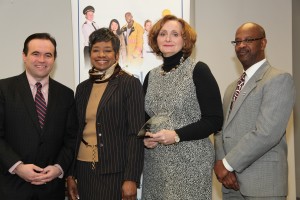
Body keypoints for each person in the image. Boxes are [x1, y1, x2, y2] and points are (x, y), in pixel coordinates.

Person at [142, 15, 223, 199]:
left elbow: (215, 120)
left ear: (185, 40)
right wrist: (144, 139)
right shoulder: (151, 76)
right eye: (163, 34)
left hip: (190, 162)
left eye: (174, 34)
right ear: (155, 39)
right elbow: (145, 117)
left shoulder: (198, 70)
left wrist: (177, 134)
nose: (168, 39)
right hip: (156, 166)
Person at [214, 22, 296, 199]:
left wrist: (227, 163)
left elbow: (267, 133)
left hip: (263, 186)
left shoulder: (278, 79)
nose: (241, 45)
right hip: (231, 185)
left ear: (263, 43)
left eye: (249, 40)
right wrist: (223, 168)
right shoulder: (231, 88)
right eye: (237, 41)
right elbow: (221, 131)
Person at [66, 28, 145, 200]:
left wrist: (131, 178)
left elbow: (136, 134)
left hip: (115, 171)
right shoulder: (82, 88)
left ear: (116, 55)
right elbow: (76, 132)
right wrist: (70, 174)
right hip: (83, 168)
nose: (101, 55)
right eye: (96, 50)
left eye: (107, 50)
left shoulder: (129, 84)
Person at [0, 33, 78, 200]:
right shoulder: (3, 89)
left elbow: (71, 139)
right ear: (24, 56)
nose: (42, 60)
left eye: (48, 55)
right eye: (35, 54)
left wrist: (58, 168)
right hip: (11, 188)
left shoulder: (66, 95)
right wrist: (18, 167)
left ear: (54, 59)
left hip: (51, 190)